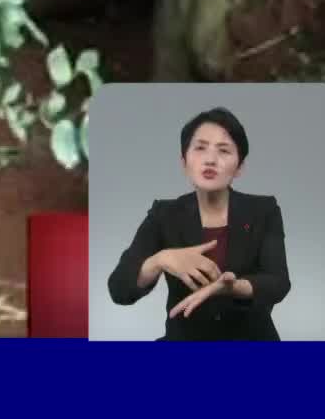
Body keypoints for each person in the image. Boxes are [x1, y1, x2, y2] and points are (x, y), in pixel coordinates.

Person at [105, 106, 291, 340]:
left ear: (240, 167)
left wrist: (232, 287)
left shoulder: (264, 210)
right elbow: (119, 288)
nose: (210, 159)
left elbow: (278, 283)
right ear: (184, 162)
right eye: (200, 148)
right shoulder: (164, 215)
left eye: (224, 151)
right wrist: (161, 259)